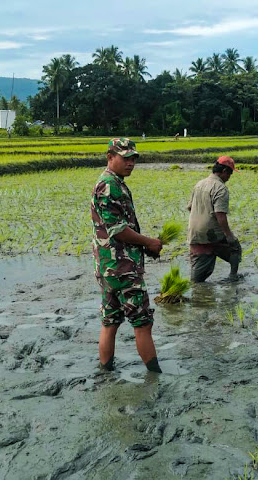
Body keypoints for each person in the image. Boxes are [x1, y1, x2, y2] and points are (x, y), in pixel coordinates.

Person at [91, 138, 163, 373]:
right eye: (125, 157)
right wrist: (149, 242)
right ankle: (155, 377)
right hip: (122, 269)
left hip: (109, 266)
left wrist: (143, 248)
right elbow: (118, 230)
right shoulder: (109, 186)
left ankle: (105, 372)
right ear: (110, 157)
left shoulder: (114, 183)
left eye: (133, 158)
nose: (131, 162)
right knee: (142, 323)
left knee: (110, 322)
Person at [187, 156, 241, 282]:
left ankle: (197, 290)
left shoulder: (199, 184)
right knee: (235, 248)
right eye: (230, 173)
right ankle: (233, 277)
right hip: (211, 234)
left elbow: (190, 208)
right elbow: (220, 215)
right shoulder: (220, 188)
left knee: (198, 277)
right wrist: (229, 235)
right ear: (224, 171)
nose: (229, 177)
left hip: (194, 233)